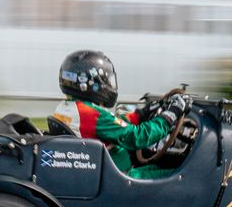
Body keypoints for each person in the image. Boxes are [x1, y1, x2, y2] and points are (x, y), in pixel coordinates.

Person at [50, 50, 179, 180]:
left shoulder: (67, 108)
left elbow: (112, 125)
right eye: (105, 80)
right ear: (89, 83)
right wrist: (170, 116)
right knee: (177, 174)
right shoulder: (90, 114)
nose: (108, 85)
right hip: (122, 178)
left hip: (104, 174)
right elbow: (137, 137)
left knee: (158, 168)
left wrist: (141, 114)